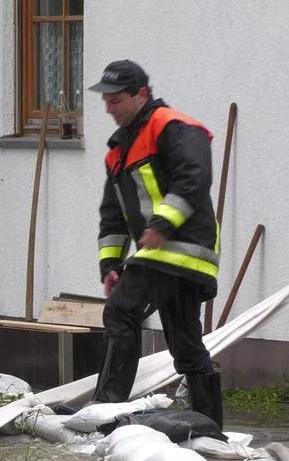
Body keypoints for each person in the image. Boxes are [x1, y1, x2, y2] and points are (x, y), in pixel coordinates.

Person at [88, 59, 224, 429]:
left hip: (177, 249)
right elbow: (112, 215)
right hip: (167, 254)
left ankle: (105, 408)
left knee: (121, 312)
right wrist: (110, 265)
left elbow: (193, 178)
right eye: (107, 101)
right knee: (185, 345)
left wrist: (162, 225)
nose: (109, 108)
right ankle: (210, 426)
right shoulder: (118, 151)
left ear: (141, 95)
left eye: (116, 100)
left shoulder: (173, 126)